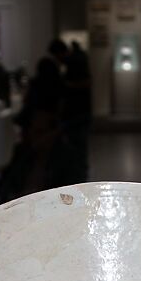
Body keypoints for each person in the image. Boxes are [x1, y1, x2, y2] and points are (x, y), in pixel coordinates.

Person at [62, 40, 92, 179]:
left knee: (77, 145)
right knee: (80, 146)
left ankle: (78, 174)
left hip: (75, 111)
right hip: (81, 111)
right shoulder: (81, 60)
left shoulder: (74, 62)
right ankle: (80, 173)